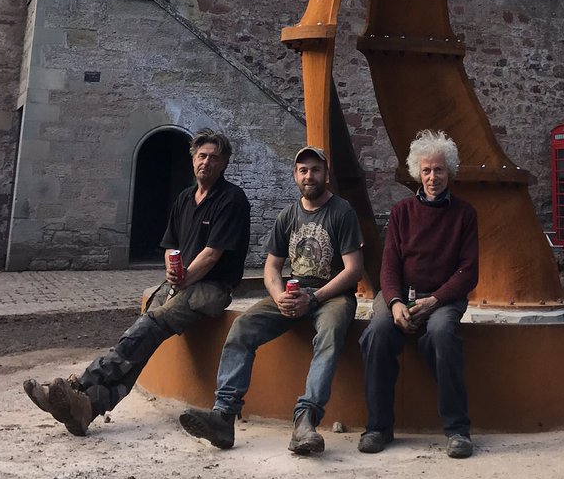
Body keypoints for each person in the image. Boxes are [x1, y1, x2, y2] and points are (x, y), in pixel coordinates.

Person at [23, 128, 251, 437]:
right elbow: (173, 246)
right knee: (141, 344)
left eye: (213, 157)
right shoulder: (185, 198)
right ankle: (86, 408)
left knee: (147, 327)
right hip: (182, 284)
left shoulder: (232, 199)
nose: (206, 163)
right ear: (192, 159)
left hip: (211, 289)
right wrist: (172, 270)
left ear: (224, 163)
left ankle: (77, 385)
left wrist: (182, 278)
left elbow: (212, 254)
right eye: (201, 156)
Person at [179, 145, 363, 455]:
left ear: (325, 175)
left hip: (330, 296)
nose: (309, 175)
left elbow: (353, 270)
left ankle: (305, 421)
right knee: (243, 327)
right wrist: (279, 296)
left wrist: (314, 299)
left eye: (315, 169)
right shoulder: (288, 214)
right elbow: (271, 267)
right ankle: (223, 416)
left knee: (329, 335)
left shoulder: (342, 211)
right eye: (303, 170)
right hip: (291, 293)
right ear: (295, 175)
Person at [358, 129, 478, 458]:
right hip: (402, 294)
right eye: (426, 170)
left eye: (439, 169)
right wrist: (395, 303)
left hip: (443, 298)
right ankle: (378, 427)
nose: (432, 176)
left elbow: (468, 271)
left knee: (441, 332)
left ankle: (457, 430)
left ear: (449, 171)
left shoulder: (465, 214)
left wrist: (436, 300)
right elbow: (388, 267)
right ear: (417, 173)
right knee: (378, 334)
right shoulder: (401, 213)